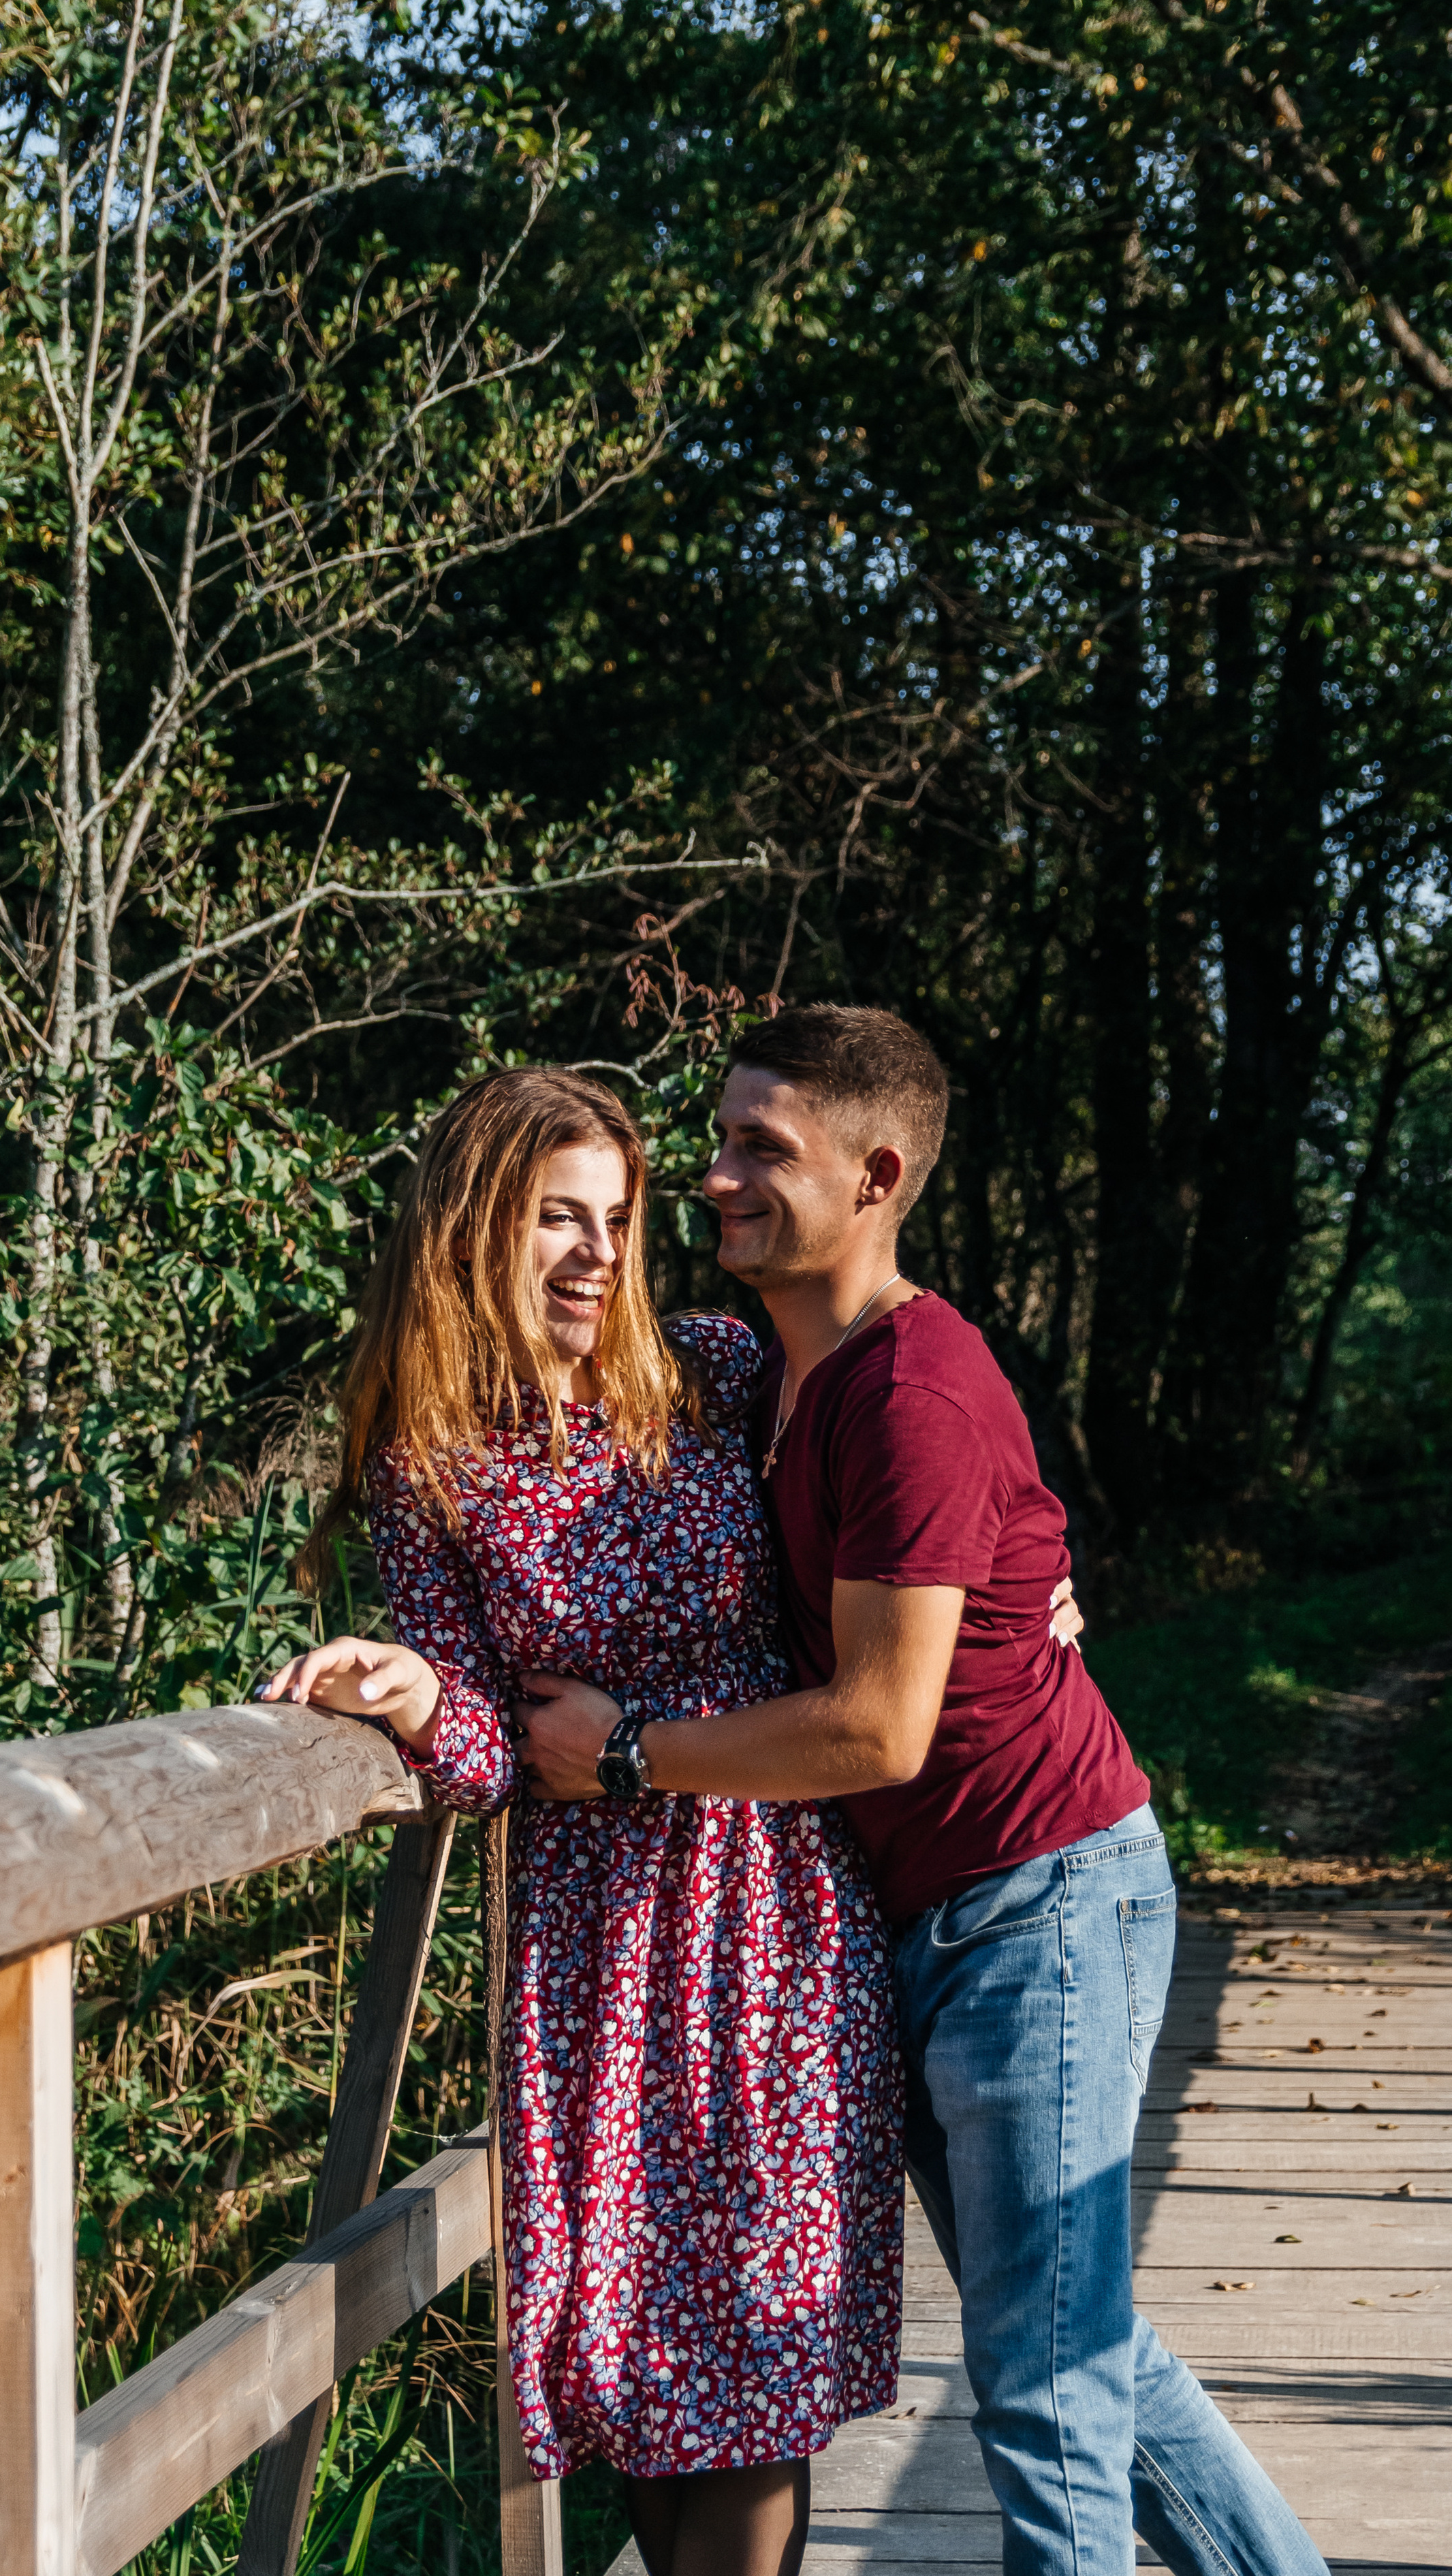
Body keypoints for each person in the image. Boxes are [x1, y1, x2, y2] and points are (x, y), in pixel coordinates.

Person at [518, 1005, 1332, 2576]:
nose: (716, 1176)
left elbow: (876, 1730)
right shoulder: (764, 1374)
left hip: (1037, 1902)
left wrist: (619, 1752)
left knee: (1040, 2380)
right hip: (929, 1915)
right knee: (1082, 2342)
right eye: (720, 1137)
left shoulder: (913, 1394)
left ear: (876, 1174)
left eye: (765, 1147)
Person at [260, 1066, 905, 2576]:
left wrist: (1020, 1572)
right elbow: (489, 1758)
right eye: (557, 1217)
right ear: (473, 1227)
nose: (596, 1254)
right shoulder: (427, 1460)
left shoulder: (710, 1371)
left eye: (614, 1220)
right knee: (638, 2380)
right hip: (598, 1953)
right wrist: (415, 1693)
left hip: (769, 1920)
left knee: (750, 2372)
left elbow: (905, 1444)